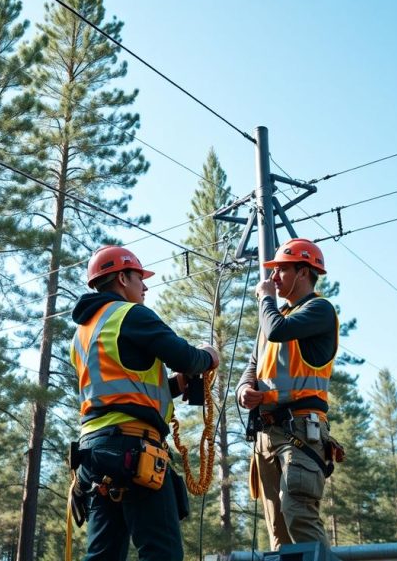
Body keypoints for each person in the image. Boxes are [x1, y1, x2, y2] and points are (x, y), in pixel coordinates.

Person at [70, 245, 219, 561]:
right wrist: (208, 356)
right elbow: (186, 357)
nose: (146, 286)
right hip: (135, 451)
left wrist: (175, 386)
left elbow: (119, 392)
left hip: (95, 456)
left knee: (102, 556)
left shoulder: (82, 334)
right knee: (160, 553)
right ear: (122, 278)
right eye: (140, 278)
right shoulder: (130, 314)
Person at [235, 238, 337, 550]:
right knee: (278, 533)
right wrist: (244, 390)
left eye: (281, 270)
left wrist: (265, 299)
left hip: (300, 430)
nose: (273, 278)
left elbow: (278, 330)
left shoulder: (319, 309)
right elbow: (252, 365)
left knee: (299, 516)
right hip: (267, 433)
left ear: (304, 272)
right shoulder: (275, 315)